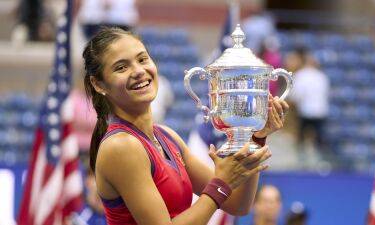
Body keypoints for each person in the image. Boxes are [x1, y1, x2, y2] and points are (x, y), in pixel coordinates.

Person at [82, 27, 289, 225]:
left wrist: (254, 138)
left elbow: (237, 204)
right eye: (121, 67)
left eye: (142, 59)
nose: (138, 71)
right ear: (99, 84)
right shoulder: (122, 146)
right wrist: (221, 183)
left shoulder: (166, 136)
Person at [287, 47, 330, 153]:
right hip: (320, 111)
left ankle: (301, 158)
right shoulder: (322, 76)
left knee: (301, 138)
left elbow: (295, 95)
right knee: (319, 139)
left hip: (305, 111)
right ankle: (321, 160)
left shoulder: (301, 75)